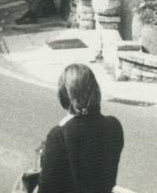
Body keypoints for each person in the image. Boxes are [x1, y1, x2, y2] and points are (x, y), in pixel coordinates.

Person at [32, 64, 124, 193]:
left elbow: (46, 189)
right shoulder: (114, 127)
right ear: (96, 91)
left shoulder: (59, 136)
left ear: (64, 96)